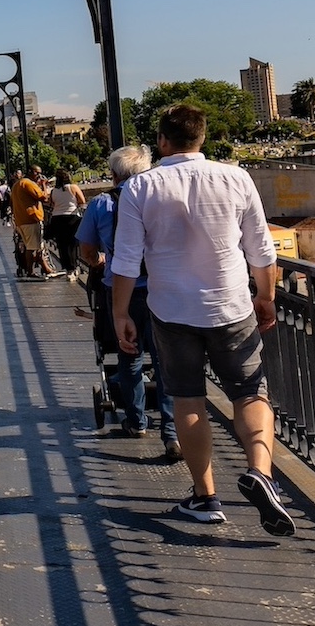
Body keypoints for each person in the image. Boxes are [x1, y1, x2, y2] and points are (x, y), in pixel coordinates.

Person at [112, 104, 292, 536]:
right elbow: (261, 251)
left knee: (188, 399)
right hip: (231, 305)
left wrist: (120, 313)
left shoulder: (141, 187)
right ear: (202, 138)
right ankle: (261, 473)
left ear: (161, 141)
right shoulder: (236, 177)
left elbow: (125, 261)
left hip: (172, 310)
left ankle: (205, 497)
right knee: (249, 393)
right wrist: (265, 296)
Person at [78, 145, 176, 456]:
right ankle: (172, 431)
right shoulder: (161, 199)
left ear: (114, 174)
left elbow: (87, 252)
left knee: (130, 354)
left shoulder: (102, 203)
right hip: (162, 287)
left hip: (121, 289)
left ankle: (137, 421)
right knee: (165, 361)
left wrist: (101, 261)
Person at [9, 167, 56, 278]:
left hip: (21, 220)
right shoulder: (28, 183)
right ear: (31, 172)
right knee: (32, 247)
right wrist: (44, 185)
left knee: (36, 246)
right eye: (38, 174)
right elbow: (43, 197)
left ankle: (46, 268)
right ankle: (30, 271)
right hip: (31, 219)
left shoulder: (16, 185)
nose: (39, 176)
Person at [46, 169, 88, 278]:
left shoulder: (53, 191)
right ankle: (74, 267)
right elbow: (82, 201)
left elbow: (51, 203)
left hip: (57, 219)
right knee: (72, 243)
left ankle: (68, 268)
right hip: (72, 218)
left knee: (62, 244)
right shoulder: (73, 188)